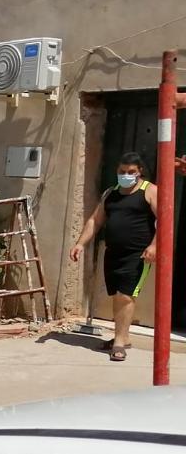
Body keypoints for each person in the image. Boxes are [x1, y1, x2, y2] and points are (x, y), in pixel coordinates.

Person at [70, 152, 157, 362]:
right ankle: (123, 336)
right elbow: (95, 221)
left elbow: (163, 220)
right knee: (117, 296)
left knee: (126, 295)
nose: (126, 175)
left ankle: (118, 343)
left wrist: (154, 246)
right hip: (113, 253)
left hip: (137, 255)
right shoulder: (111, 193)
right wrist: (80, 243)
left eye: (130, 172)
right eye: (122, 171)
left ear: (139, 172)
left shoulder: (150, 191)